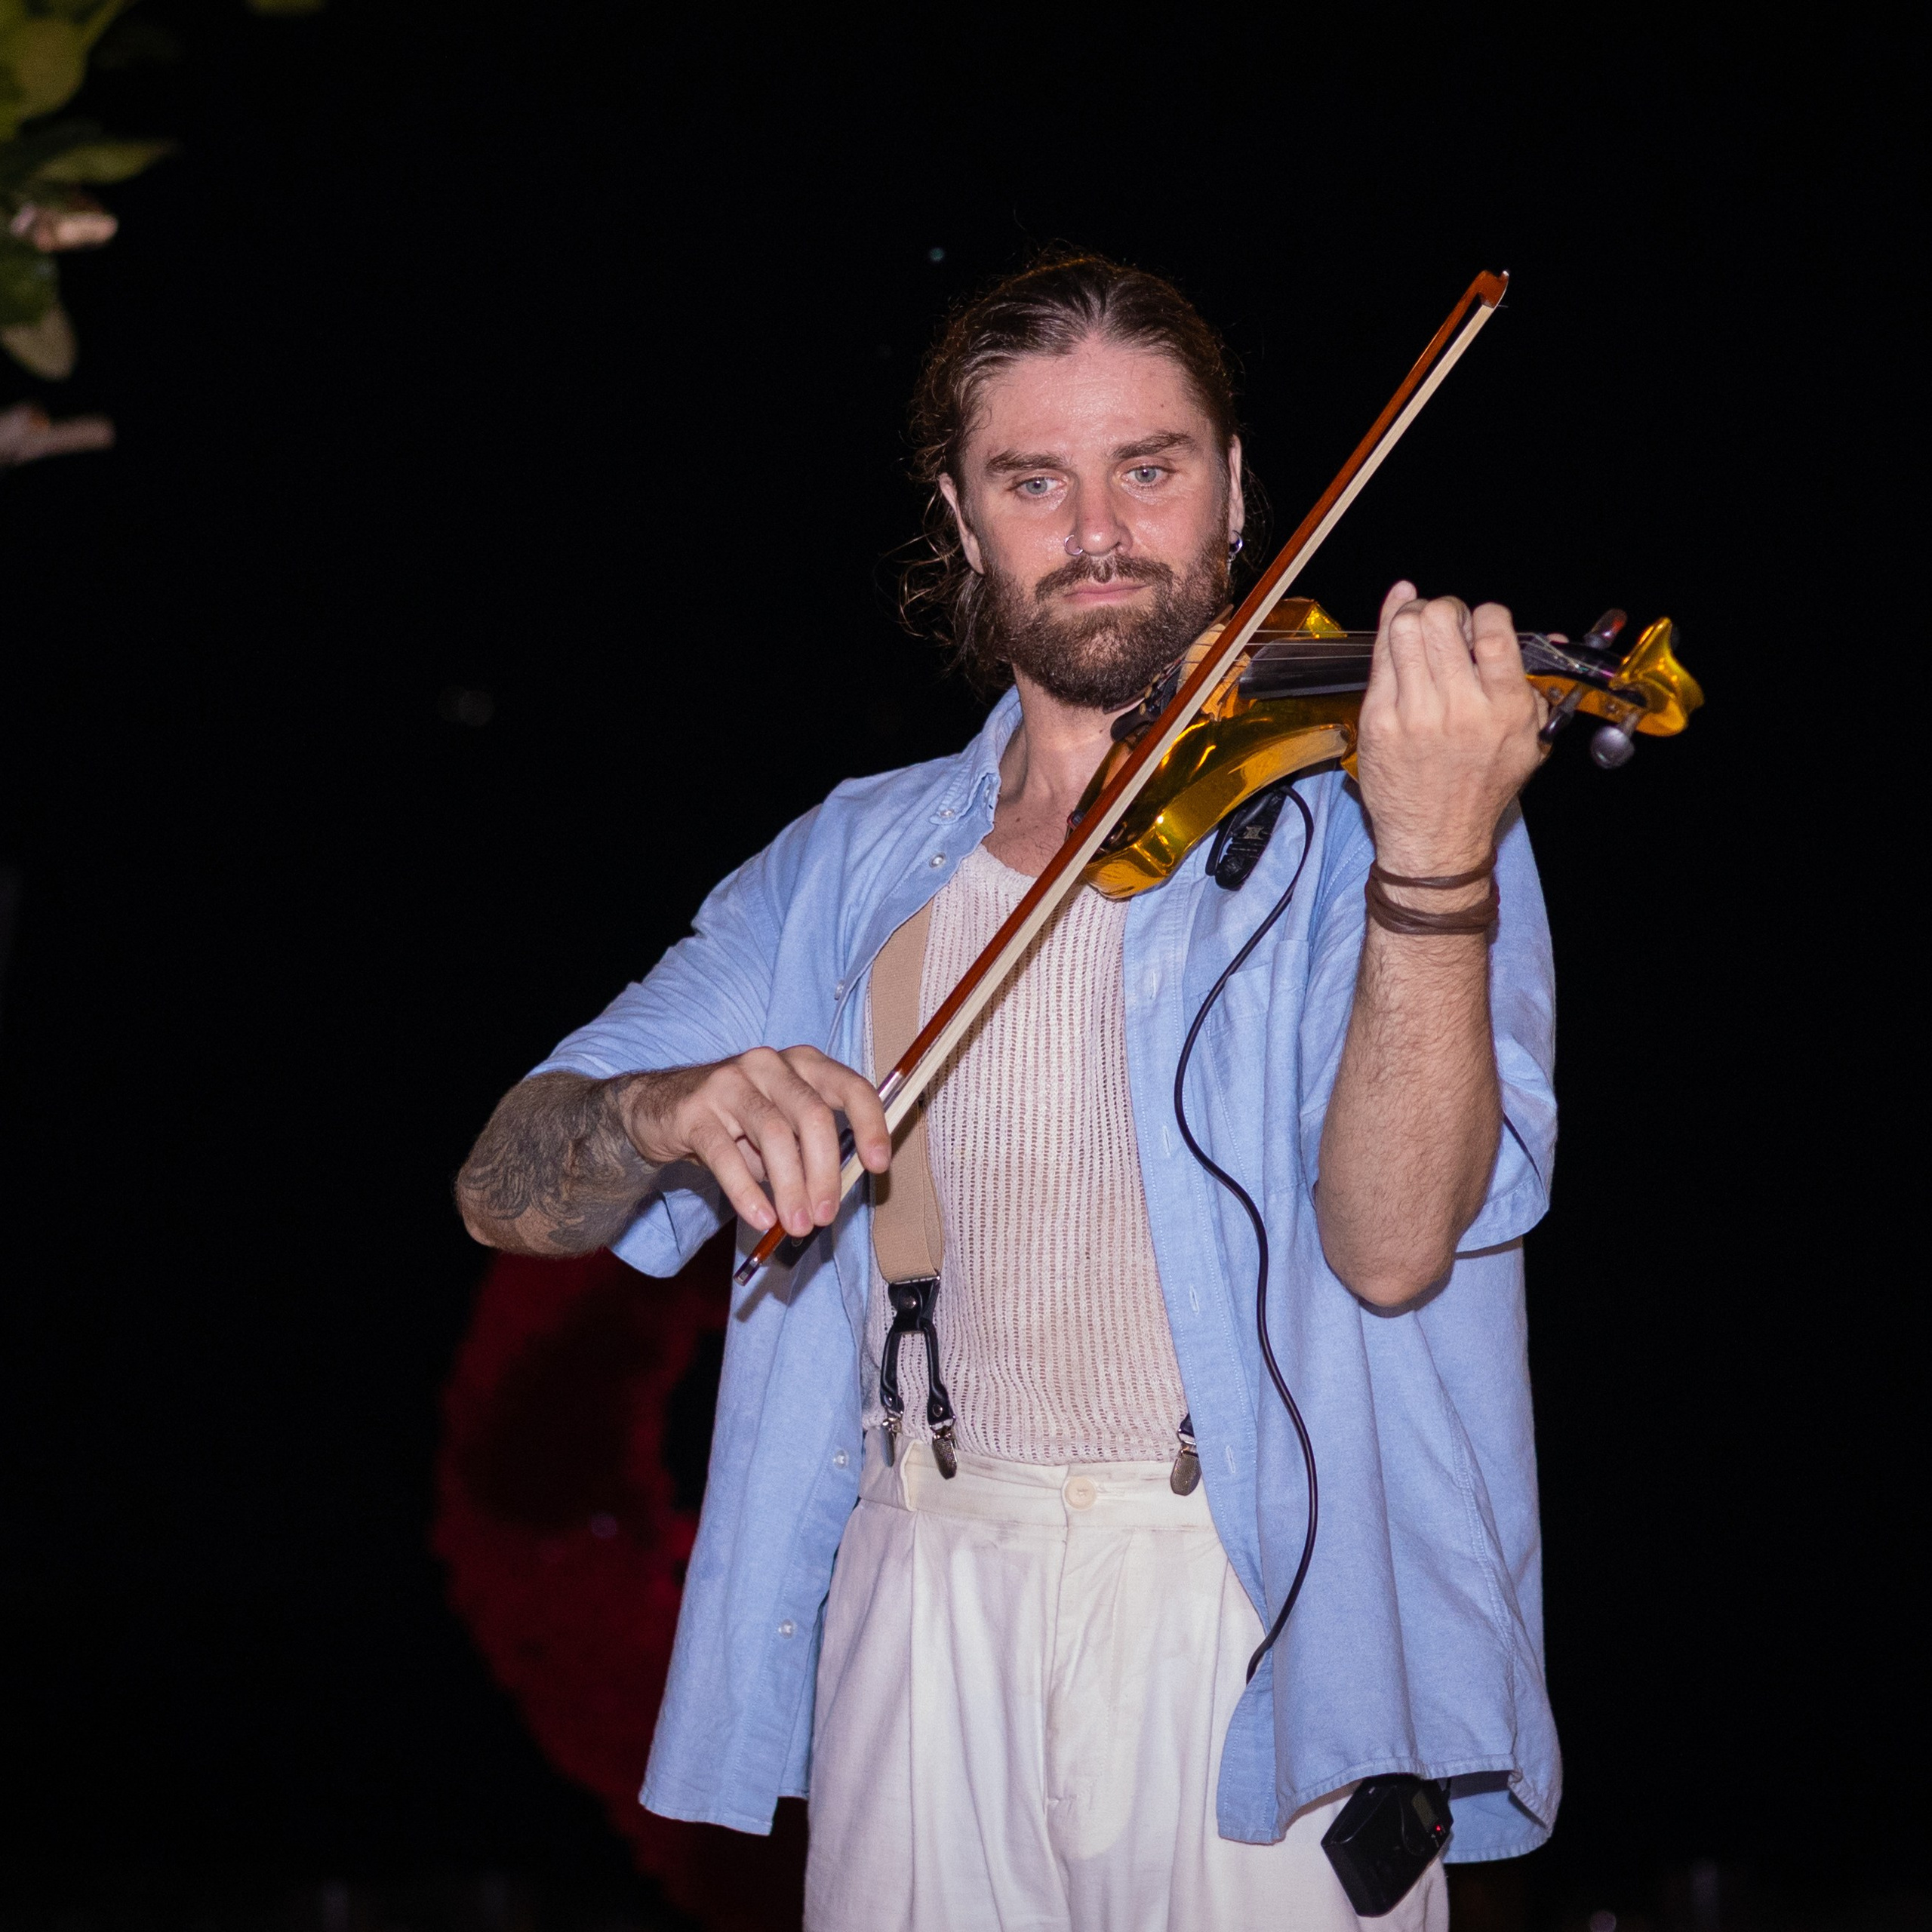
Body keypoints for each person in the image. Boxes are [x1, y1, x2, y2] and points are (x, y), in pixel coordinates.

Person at [457, 254, 1560, 1932]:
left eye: (1149, 468)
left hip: (1257, 1611)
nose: (1099, 531)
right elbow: (502, 1184)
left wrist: (1432, 861)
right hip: (919, 1593)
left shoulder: (1388, 820)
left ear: (1236, 489)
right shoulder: (846, 861)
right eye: (1034, 482)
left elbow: (1397, 1246)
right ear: (960, 522)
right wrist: (658, 1109)